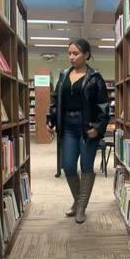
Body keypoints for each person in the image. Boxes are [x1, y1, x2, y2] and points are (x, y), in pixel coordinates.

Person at [47, 38, 110, 223]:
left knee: (87, 167)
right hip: (67, 126)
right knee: (68, 166)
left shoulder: (95, 77)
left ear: (86, 55)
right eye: (70, 53)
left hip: (86, 127)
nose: (71, 57)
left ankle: (81, 207)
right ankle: (78, 200)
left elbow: (103, 106)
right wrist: (50, 119)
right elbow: (56, 99)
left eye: (76, 53)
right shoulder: (64, 74)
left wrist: (98, 128)